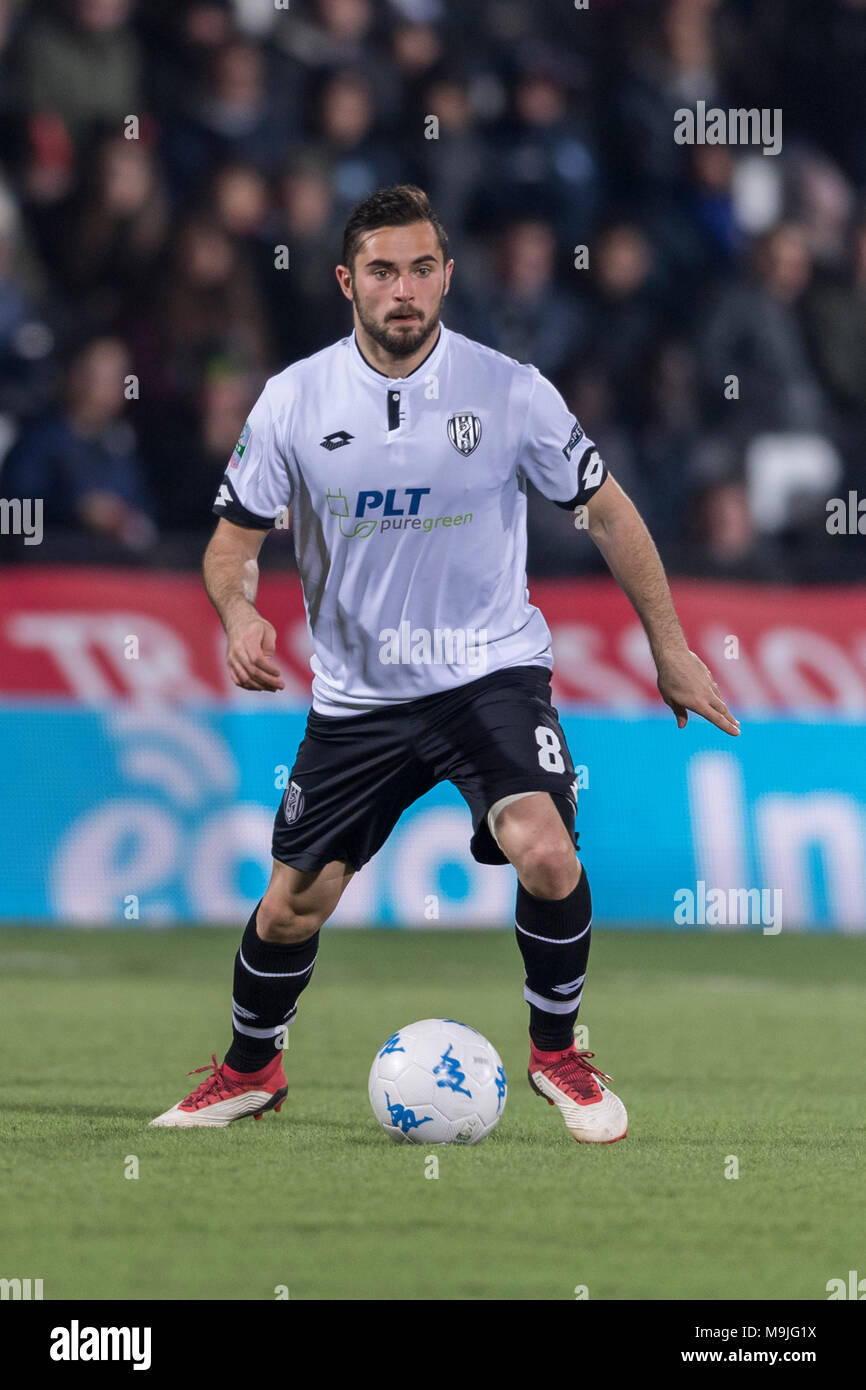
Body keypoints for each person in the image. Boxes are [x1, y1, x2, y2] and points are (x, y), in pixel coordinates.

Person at [150, 186, 739, 1142]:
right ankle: (250, 1070)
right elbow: (230, 545)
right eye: (383, 270)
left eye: (423, 268)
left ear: (448, 276)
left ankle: (558, 1055)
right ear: (347, 282)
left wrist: (669, 647)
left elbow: (610, 511)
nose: (405, 289)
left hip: (489, 674)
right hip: (359, 698)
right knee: (293, 904)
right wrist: (238, 612)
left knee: (545, 849)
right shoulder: (295, 399)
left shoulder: (508, 389)